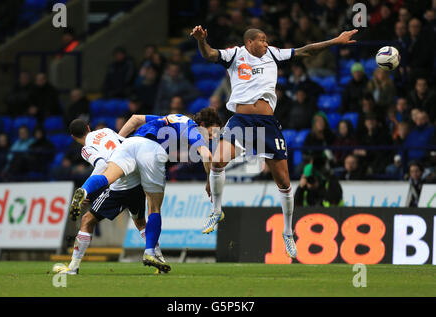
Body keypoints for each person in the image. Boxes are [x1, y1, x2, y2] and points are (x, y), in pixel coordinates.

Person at [190, 24, 357, 259]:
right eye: (262, 39)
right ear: (249, 42)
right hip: (241, 121)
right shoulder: (235, 55)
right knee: (217, 162)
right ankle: (216, 210)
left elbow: (306, 51)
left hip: (267, 125)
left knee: (285, 182)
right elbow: (208, 54)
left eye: (267, 39)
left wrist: (335, 41)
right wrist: (200, 40)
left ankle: (288, 233)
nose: (266, 43)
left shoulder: (273, 54)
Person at [68, 110, 217, 272]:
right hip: (150, 153)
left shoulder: (169, 118)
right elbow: (207, 155)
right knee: (154, 208)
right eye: (212, 132)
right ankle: (151, 252)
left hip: (129, 145)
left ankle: (85, 189)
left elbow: (135, 119)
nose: (213, 137)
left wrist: (122, 147)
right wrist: (209, 181)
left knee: (128, 208)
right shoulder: (192, 128)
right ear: (202, 125)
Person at [56, 119, 165, 275]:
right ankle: (157, 257)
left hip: (120, 185)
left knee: (87, 220)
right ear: (88, 127)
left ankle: (73, 267)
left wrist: (89, 189)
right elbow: (126, 143)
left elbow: (101, 165)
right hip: (136, 178)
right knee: (141, 222)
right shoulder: (106, 131)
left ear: (73, 137)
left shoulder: (87, 149)